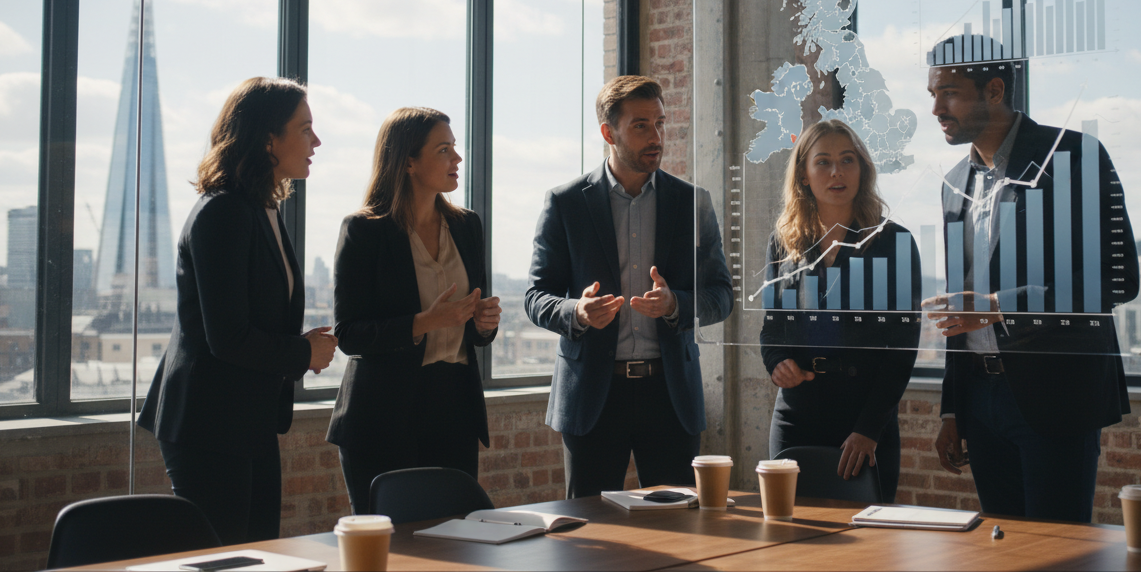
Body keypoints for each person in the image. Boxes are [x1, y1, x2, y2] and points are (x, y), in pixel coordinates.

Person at [921, 46, 1139, 522]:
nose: (936, 109)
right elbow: (963, 306)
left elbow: (1117, 279)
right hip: (978, 401)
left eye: (950, 94)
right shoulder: (954, 180)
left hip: (1054, 397)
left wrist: (1000, 306)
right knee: (1002, 551)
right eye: (933, 94)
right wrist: (952, 410)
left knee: (1055, 552)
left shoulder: (1074, 156)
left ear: (994, 90)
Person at [139, 77, 338, 544]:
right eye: (305, 129)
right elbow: (227, 336)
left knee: (259, 550)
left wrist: (302, 345)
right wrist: (302, 353)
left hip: (246, 419)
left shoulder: (260, 207)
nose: (316, 141)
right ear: (269, 138)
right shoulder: (223, 211)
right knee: (227, 557)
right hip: (209, 424)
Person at [525, 75, 734, 498]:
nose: (656, 136)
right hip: (593, 398)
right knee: (587, 536)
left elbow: (721, 295)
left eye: (660, 122)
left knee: (678, 528)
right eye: (641, 125)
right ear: (609, 132)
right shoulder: (566, 203)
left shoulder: (692, 203)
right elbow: (535, 296)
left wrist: (677, 304)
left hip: (669, 395)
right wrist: (576, 312)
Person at [325, 107, 501, 515]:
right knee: (390, 550)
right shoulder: (363, 230)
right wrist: (425, 322)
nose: (457, 159)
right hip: (382, 418)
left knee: (455, 543)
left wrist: (483, 323)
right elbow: (349, 334)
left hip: (453, 410)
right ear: (407, 161)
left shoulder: (467, 226)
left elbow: (473, 329)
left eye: (455, 148)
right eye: (444, 150)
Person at [759, 120, 920, 504]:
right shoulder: (784, 241)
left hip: (863, 420)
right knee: (790, 538)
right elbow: (772, 327)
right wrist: (776, 361)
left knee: (867, 546)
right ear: (803, 174)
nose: (837, 172)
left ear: (862, 169)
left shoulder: (892, 242)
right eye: (824, 162)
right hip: (796, 415)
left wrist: (869, 428)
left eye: (848, 160)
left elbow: (902, 347)